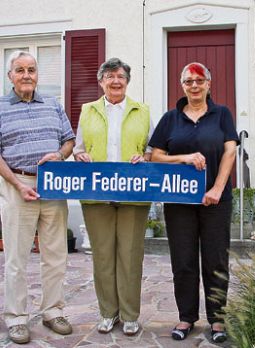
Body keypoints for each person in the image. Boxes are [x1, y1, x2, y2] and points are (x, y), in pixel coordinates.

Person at [149, 62, 239, 343]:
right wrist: (184, 158)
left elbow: (230, 151)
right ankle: (186, 317)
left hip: (215, 200)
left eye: (200, 80)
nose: (194, 85)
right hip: (179, 202)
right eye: (189, 81)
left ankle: (217, 320)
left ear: (209, 84)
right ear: (182, 85)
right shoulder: (170, 118)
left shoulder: (221, 114)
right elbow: (156, 156)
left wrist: (216, 188)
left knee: (215, 260)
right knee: (184, 261)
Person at [74, 57, 153, 336]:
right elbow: (79, 147)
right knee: (103, 256)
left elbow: (151, 150)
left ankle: (130, 315)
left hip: (134, 194)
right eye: (109, 76)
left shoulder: (142, 111)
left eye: (120, 76)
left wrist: (144, 156)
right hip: (96, 194)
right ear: (101, 82)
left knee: (130, 256)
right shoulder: (87, 110)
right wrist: (79, 154)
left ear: (127, 81)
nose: (115, 81)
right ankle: (108, 313)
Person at [0, 51, 75, 344]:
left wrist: (59, 154)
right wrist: (17, 185)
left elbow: (69, 140)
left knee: (55, 255)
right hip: (18, 184)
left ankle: (52, 311)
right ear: (10, 76)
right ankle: (17, 318)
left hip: (53, 187)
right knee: (17, 258)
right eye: (20, 70)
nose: (26, 74)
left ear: (37, 74)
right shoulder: (1, 108)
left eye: (31, 69)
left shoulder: (53, 105)